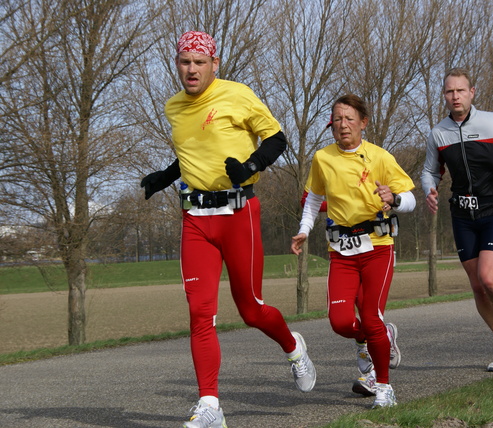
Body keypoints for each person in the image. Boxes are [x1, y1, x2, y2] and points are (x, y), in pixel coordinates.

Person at [140, 31, 316, 428]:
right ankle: (210, 406)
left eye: (199, 62)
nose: (191, 69)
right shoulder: (173, 107)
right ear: (177, 64)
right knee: (200, 312)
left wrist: (251, 167)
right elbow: (192, 149)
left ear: (214, 65)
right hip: (195, 220)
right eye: (185, 61)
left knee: (251, 308)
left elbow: (277, 138)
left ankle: (293, 347)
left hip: (238, 214)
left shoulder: (238, 95)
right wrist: (166, 177)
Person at [291, 94, 416, 408]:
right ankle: (379, 339)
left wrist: (396, 199)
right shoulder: (322, 158)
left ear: (363, 123)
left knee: (371, 316)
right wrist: (304, 231)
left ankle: (384, 389)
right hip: (341, 252)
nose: (342, 125)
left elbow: (410, 198)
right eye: (337, 119)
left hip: (377, 248)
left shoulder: (380, 157)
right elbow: (313, 200)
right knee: (340, 321)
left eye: (349, 119)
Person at [420, 67, 493, 372]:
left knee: (490, 278)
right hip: (462, 214)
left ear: (472, 93)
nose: (455, 96)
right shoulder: (438, 133)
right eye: (449, 91)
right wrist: (428, 189)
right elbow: (430, 170)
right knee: (477, 286)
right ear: (444, 96)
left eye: (460, 90)